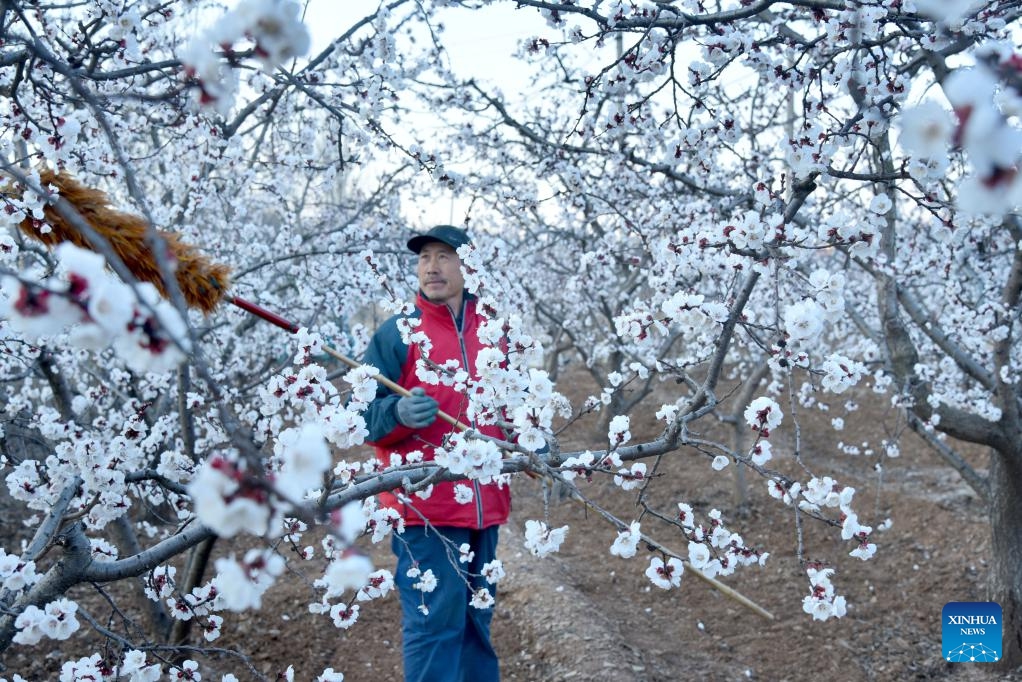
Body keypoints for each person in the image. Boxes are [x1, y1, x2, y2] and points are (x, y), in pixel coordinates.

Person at [362, 225, 510, 682]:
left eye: (444, 256)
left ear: (470, 267)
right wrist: (399, 413)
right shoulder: (398, 334)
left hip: (487, 504)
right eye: (424, 257)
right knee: (433, 625)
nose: (431, 266)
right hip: (426, 506)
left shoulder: (497, 332)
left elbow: (515, 410)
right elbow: (361, 416)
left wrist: (532, 439)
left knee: (474, 622)